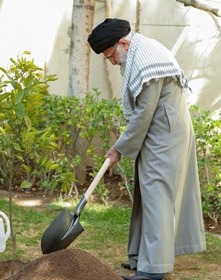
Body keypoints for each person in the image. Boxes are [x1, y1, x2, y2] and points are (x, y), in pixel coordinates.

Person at [87, 18, 206, 280]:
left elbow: (144, 113)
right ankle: (141, 256)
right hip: (158, 132)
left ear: (124, 43)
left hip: (166, 135)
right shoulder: (139, 51)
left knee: (158, 199)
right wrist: (122, 145)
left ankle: (154, 270)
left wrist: (118, 147)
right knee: (147, 195)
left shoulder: (146, 61)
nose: (112, 62)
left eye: (110, 56)